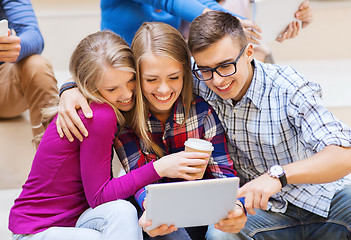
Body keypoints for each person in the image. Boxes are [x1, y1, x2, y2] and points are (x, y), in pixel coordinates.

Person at [56, 22, 247, 239]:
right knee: (168, 233)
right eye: (151, 79)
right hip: (152, 209)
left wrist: (237, 206)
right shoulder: (125, 116)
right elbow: (137, 179)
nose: (164, 89)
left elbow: (224, 174)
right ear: (135, 76)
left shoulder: (202, 108)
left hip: (201, 208)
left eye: (174, 77)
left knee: (222, 233)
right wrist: (69, 88)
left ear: (185, 73)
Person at [187, 11, 351, 239]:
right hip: (260, 212)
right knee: (220, 235)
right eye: (206, 70)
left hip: (323, 199)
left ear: (249, 53)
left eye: (226, 66)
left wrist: (278, 176)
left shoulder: (288, 86)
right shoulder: (199, 81)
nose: (217, 80)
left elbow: (344, 154)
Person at [9, 30, 147, 240]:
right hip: (36, 231)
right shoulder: (99, 114)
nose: (127, 94)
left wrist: (68, 87)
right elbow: (99, 196)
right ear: (90, 86)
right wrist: (160, 167)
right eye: (112, 88)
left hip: (77, 220)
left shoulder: (107, 103)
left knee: (123, 211)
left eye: (131, 80)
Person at [0, 0, 58, 143]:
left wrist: (16, 47)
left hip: (4, 82)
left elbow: (32, 34)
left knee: (37, 66)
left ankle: (51, 159)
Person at [100, 0, 244, 45]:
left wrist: (241, 22)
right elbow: (170, 1)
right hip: (122, 72)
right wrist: (224, 20)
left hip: (161, 71)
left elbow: (205, 3)